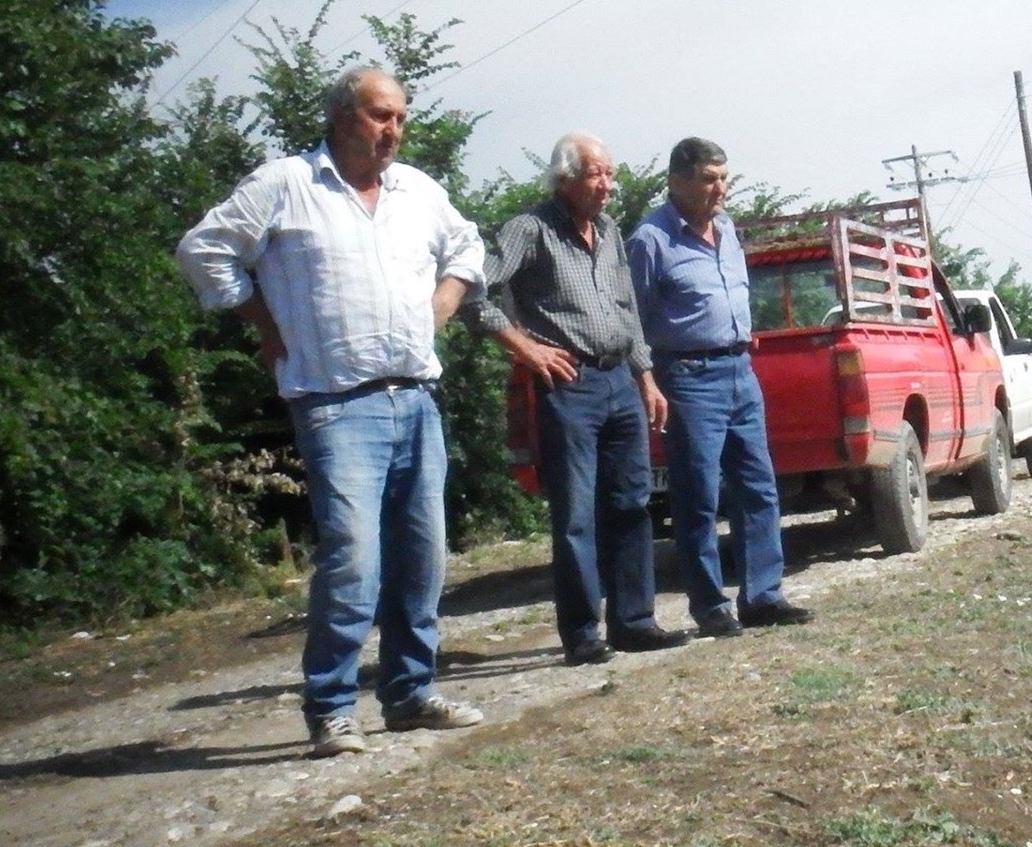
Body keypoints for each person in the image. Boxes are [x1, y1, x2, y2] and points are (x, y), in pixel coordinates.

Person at [176, 67, 486, 758]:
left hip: (415, 398)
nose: (393, 131)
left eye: (401, 118)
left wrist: (446, 301)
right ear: (343, 117)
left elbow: (467, 245)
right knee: (353, 559)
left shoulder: (416, 190)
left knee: (422, 556)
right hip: (335, 404)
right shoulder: (288, 184)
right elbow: (203, 250)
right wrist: (262, 319)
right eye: (381, 116)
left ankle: (408, 694)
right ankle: (331, 708)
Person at [461, 133, 690, 666]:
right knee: (575, 515)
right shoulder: (530, 229)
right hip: (569, 386)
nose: (608, 185)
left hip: (619, 383)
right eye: (596, 174)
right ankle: (583, 633)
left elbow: (626, 306)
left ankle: (634, 622)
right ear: (564, 179)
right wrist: (523, 347)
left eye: (610, 174)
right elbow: (473, 287)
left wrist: (646, 377)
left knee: (632, 505)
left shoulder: (609, 230)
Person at [627, 137, 813, 638]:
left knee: (758, 487)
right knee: (699, 497)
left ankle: (763, 597)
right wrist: (648, 379)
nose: (720, 189)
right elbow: (634, 320)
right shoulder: (651, 239)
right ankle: (710, 606)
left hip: (739, 372)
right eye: (709, 179)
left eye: (723, 178)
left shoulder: (727, 230)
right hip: (688, 378)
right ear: (677, 181)